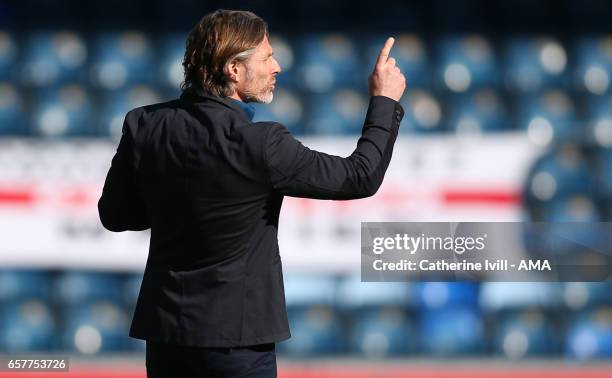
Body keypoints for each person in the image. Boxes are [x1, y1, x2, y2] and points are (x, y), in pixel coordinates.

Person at [97, 8, 405, 378]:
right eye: (267, 57)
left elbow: (115, 216)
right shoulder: (263, 143)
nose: (277, 66)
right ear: (234, 69)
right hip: (237, 345)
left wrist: (178, 204)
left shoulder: (143, 123)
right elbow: (359, 176)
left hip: (166, 337)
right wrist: (384, 101)